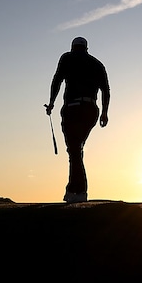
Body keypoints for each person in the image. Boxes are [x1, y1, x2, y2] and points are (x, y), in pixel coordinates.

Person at [46, 36, 110, 203]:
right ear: (86, 48)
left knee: (74, 149)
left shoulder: (67, 58)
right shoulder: (97, 64)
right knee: (76, 149)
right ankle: (74, 188)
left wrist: (52, 103)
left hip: (73, 108)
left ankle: (78, 191)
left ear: (73, 47)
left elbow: (57, 80)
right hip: (91, 110)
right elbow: (106, 90)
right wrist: (104, 112)